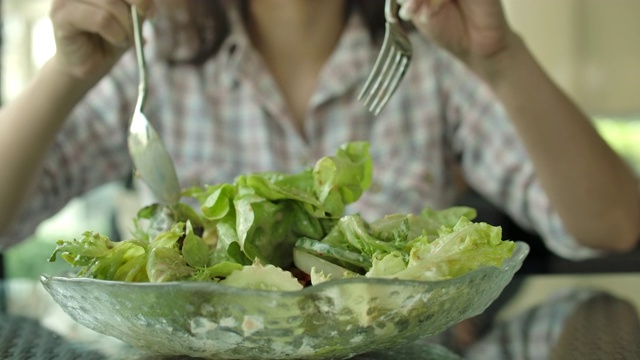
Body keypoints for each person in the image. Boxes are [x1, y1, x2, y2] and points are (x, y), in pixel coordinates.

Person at [0, 1, 638, 259]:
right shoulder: (152, 60)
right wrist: (67, 73)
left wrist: (500, 60)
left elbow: (613, 226)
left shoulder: (432, 61)